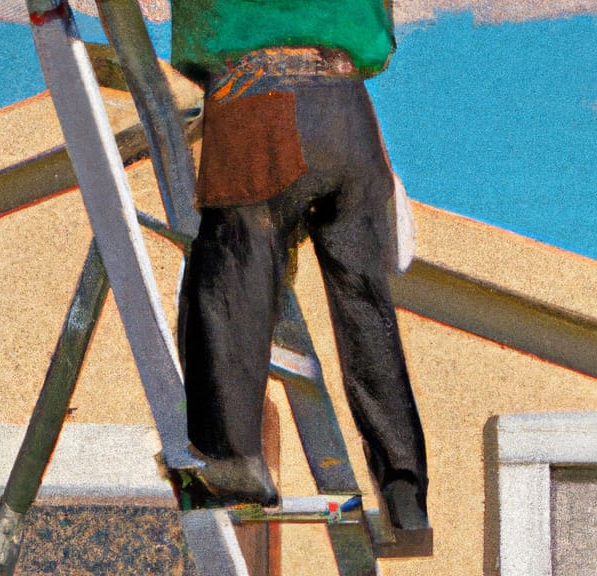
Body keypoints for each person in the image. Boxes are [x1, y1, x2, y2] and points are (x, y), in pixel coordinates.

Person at [172, 0, 430, 534]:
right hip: (350, 115)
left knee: (230, 276)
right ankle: (405, 491)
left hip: (257, 102)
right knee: (367, 309)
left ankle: (232, 459)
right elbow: (376, 42)